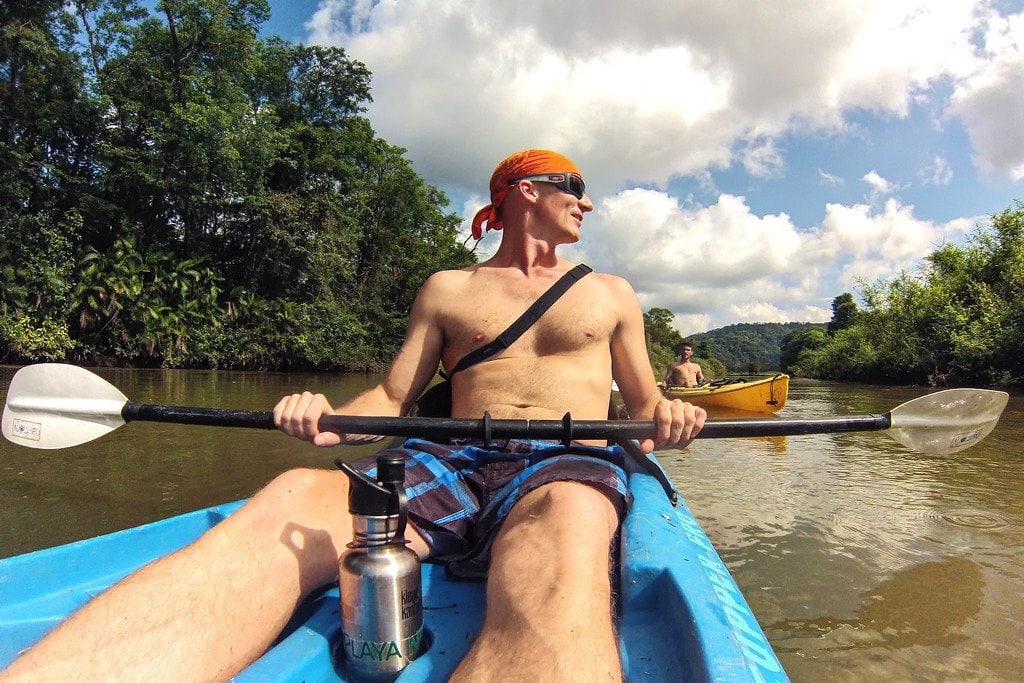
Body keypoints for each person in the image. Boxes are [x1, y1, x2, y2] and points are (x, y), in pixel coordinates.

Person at [0, 149, 705, 681]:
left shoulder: (613, 293)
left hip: (565, 460)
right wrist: (330, 418)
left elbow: (644, 407)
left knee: (565, 535)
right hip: (450, 457)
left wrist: (668, 418)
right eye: (575, 188)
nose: (586, 203)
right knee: (291, 498)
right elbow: (392, 401)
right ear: (528, 190)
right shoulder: (449, 288)